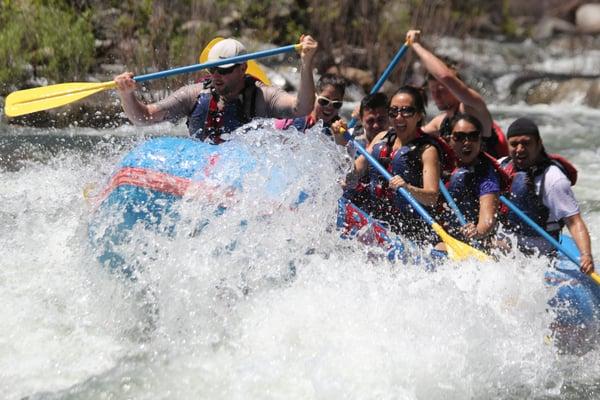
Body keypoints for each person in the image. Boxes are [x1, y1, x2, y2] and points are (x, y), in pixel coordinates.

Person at [114, 35, 318, 144]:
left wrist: (306, 64)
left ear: (243, 68)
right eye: (212, 69)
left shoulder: (262, 96)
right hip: (200, 172)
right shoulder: (193, 94)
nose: (216, 76)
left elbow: (301, 107)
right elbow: (143, 117)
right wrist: (126, 94)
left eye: (224, 70)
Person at [345, 85, 453, 244]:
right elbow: (356, 169)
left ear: (419, 116)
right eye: (393, 112)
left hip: (409, 232)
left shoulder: (427, 151)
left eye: (407, 111)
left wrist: (408, 188)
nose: (399, 117)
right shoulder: (382, 137)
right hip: (376, 223)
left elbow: (431, 197)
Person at [500, 117, 594, 275]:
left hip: (539, 253)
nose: (520, 149)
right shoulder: (501, 165)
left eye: (526, 143)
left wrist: (586, 255)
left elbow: (574, 221)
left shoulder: (552, 178)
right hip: (507, 243)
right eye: (514, 144)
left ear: (539, 143)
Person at [406, 30, 508, 158]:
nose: (436, 95)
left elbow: (445, 76)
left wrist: (415, 45)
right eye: (433, 91)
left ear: (454, 88)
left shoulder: (473, 107)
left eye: (441, 89)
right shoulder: (440, 122)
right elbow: (411, 135)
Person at [440, 113, 507, 250]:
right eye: (459, 137)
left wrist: (477, 231)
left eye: (473, 136)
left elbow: (487, 220)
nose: (467, 142)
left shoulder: (486, 175)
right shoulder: (438, 163)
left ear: (480, 140)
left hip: (471, 243)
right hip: (440, 233)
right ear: (448, 140)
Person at [275, 73, 347, 145]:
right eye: (324, 101)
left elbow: (346, 154)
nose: (330, 107)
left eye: (336, 104)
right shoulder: (293, 116)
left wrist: (339, 138)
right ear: (314, 96)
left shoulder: (339, 131)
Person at [347, 92, 389, 158]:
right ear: (361, 120)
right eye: (370, 121)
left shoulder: (397, 140)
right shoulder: (349, 136)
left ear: (389, 118)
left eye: (381, 120)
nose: (376, 125)